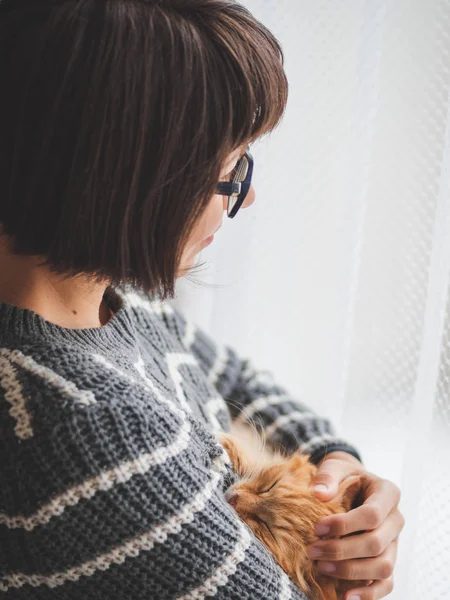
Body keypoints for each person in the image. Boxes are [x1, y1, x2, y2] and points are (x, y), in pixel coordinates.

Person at [0, 1, 404, 599]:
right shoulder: (88, 427)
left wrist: (338, 468)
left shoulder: (109, 306)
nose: (247, 195)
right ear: (126, 172)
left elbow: (236, 380)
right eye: (229, 168)